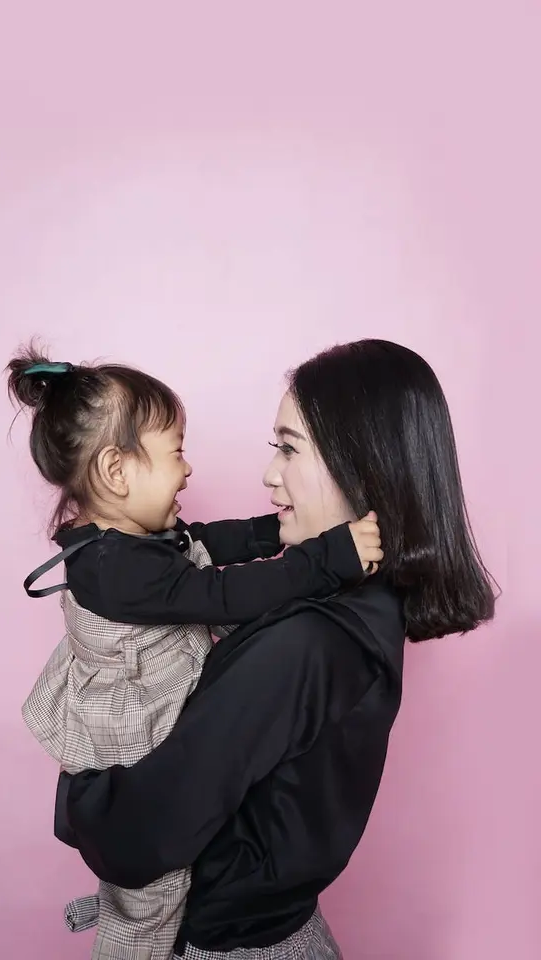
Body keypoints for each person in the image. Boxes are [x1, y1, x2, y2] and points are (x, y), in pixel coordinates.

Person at [56, 339, 496, 960]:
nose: (268, 474)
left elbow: (137, 840)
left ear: (362, 465)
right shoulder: (361, 608)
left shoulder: (304, 644)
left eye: (289, 448)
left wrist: (75, 794)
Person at [7, 346, 383, 960]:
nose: (187, 471)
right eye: (175, 451)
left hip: (153, 708)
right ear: (116, 472)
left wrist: (271, 530)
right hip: (129, 729)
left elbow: (204, 542)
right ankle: (128, 928)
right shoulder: (111, 569)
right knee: (158, 885)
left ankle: (117, 901)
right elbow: (218, 592)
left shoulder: (132, 542)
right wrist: (324, 558)